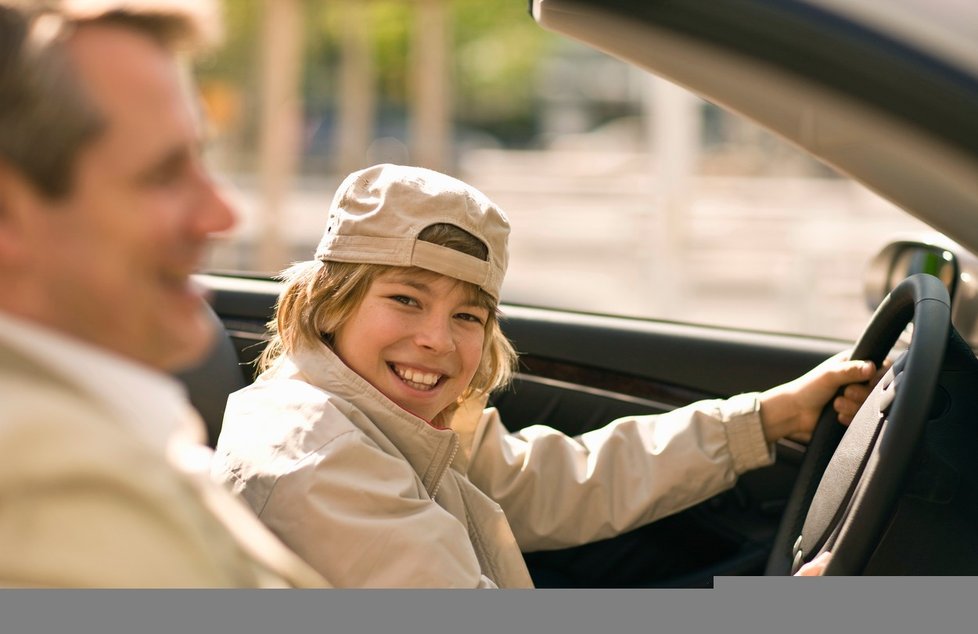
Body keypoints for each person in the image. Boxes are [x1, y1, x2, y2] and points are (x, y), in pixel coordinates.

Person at [211, 163, 876, 588]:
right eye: (406, 300)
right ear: (334, 301)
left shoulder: (395, 422)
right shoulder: (316, 467)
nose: (437, 339)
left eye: (469, 315)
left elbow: (558, 482)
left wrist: (767, 418)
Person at [0, 0, 328, 587]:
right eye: (162, 174)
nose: (223, 213)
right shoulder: (50, 493)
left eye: (200, 159)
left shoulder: (89, 424)